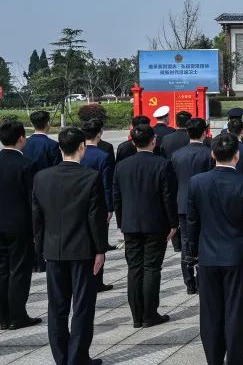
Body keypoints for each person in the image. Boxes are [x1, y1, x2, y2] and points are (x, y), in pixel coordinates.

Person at [32, 127, 108, 365]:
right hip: (83, 250)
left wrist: (40, 247)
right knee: (83, 305)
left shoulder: (41, 177)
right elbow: (95, 218)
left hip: (53, 250)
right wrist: (100, 250)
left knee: (57, 306)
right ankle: (78, 357)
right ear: (82, 147)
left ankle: (62, 357)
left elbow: (37, 217)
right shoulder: (90, 177)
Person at [187, 133, 243, 365]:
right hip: (237, 255)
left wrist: (193, 249)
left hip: (208, 254)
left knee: (210, 311)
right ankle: (236, 358)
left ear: (212, 154)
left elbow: (192, 221)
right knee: (236, 310)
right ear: (237, 156)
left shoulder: (197, 182)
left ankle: (214, 359)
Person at [112, 121, 177, 328]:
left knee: (134, 269)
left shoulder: (122, 166)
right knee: (151, 268)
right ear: (154, 141)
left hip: (130, 224)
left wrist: (121, 222)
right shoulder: (162, 164)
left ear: (132, 142)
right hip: (155, 223)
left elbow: (117, 198)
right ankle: (150, 314)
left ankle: (136, 316)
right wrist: (173, 223)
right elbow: (168, 197)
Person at [0, 120, 39, 330]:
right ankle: (17, 315)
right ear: (21, 138)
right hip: (19, 225)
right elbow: (31, 200)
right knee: (19, 271)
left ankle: (2, 316)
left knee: (2, 270)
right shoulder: (26, 165)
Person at [171, 116, 213, 294]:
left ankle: (189, 283)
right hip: (204, 203)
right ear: (205, 132)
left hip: (182, 203)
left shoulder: (176, 155)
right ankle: (202, 278)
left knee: (187, 241)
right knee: (204, 241)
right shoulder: (209, 153)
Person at [79, 119, 114, 293]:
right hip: (98, 204)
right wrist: (110, 207)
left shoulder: (78, 153)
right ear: (99, 134)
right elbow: (107, 184)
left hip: (78, 203)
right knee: (98, 242)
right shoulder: (103, 156)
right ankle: (97, 280)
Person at [23, 110, 61, 175]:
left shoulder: (23, 143)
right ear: (48, 123)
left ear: (32, 124)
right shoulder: (53, 145)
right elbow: (57, 169)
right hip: (46, 182)